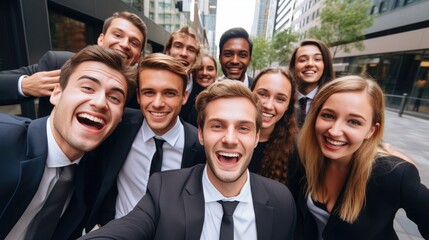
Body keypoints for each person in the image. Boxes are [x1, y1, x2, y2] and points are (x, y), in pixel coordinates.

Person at [79, 80, 296, 240]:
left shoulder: (281, 201)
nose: (230, 139)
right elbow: (123, 230)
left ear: (257, 137)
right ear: (201, 134)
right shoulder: (163, 190)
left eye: (243, 128)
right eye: (217, 126)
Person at [0, 45, 136, 240]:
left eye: (114, 98)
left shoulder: (89, 179)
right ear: (56, 93)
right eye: (88, 88)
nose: (99, 102)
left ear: (121, 116)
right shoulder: (4, 139)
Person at [293, 75, 429, 239]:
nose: (335, 131)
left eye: (354, 122)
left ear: (372, 130)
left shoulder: (393, 174)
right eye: (328, 115)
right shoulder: (307, 158)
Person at [83, 53, 205, 231]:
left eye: (169, 93)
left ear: (184, 97)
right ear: (139, 96)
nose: (157, 103)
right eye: (149, 92)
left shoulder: (200, 146)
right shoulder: (119, 126)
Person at [0, 11, 147, 117]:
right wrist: (24, 85)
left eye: (134, 43)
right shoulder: (59, 64)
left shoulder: (140, 91)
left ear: (138, 56)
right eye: (117, 35)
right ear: (101, 39)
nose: (124, 44)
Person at [249, 67, 298, 186]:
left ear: (288, 106)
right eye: (262, 94)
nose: (269, 105)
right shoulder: (229, 136)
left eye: (280, 99)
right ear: (250, 95)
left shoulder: (295, 151)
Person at [288, 39, 335, 127]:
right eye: (302, 60)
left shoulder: (333, 100)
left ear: (325, 65)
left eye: (317, 59)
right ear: (293, 66)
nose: (310, 64)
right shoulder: (284, 99)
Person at [180, 50, 217, 127]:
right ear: (194, 72)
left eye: (210, 69)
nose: (204, 73)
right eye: (200, 68)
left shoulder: (222, 97)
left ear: (216, 72)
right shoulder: (185, 96)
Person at [163, 26, 200, 94]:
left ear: (196, 58)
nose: (184, 54)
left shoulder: (201, 92)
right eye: (178, 46)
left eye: (191, 50)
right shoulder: (150, 81)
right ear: (168, 51)